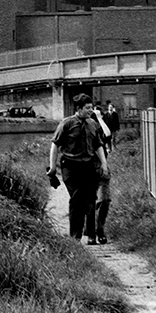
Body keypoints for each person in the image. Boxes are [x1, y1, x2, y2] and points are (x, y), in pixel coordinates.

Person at [48, 94, 112, 245]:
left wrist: (103, 164)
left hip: (88, 165)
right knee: (77, 199)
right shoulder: (66, 124)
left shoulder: (92, 124)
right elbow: (55, 145)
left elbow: (98, 145)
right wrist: (52, 167)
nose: (91, 111)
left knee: (90, 199)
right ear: (79, 109)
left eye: (91, 108)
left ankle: (91, 234)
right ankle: (74, 238)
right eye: (87, 108)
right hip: (70, 166)